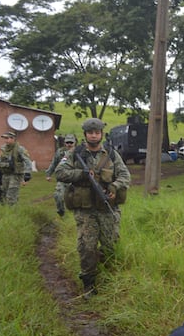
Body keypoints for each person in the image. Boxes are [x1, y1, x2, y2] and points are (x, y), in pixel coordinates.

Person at [55, 118, 131, 296]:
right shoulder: (75, 153)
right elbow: (60, 172)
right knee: (87, 246)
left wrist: (114, 186)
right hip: (85, 210)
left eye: (97, 132)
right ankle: (89, 283)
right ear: (85, 134)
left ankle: (109, 279)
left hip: (107, 208)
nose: (94, 135)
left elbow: (125, 175)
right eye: (90, 132)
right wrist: (81, 174)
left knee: (110, 245)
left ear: (101, 134)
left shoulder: (111, 154)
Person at [0, 131, 33, 205]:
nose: (5, 140)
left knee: (11, 194)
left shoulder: (19, 149)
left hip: (16, 174)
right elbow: (2, 160)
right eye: (5, 138)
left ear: (13, 139)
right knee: (4, 193)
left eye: (7, 138)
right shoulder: (4, 148)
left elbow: (28, 161)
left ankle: (13, 212)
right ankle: (6, 211)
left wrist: (27, 173)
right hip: (5, 174)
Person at [46, 134, 77, 216]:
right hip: (62, 178)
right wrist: (49, 174)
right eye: (67, 142)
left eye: (71, 142)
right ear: (64, 143)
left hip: (75, 178)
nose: (69, 144)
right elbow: (54, 163)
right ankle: (61, 211)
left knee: (75, 198)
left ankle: (74, 214)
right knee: (58, 196)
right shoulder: (60, 152)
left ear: (75, 143)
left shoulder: (79, 152)